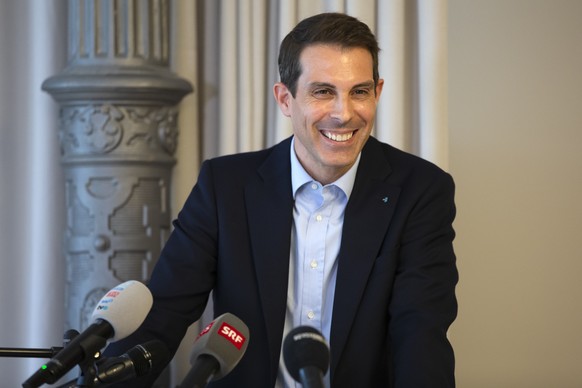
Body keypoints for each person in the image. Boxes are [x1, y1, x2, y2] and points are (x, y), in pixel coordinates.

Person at [105, 12, 458, 387]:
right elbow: (163, 313)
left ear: (378, 92)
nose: (344, 113)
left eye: (360, 91)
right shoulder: (225, 186)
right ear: (285, 99)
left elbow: (420, 334)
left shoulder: (421, 191)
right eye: (323, 92)